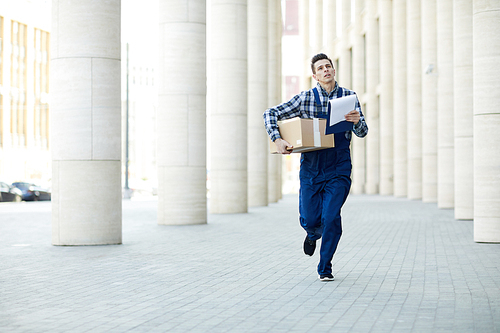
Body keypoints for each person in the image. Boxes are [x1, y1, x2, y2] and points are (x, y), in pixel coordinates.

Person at [263, 53, 368, 281]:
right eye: (320, 68)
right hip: (312, 166)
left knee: (331, 216)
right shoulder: (305, 99)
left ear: (333, 70)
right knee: (310, 218)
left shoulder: (349, 97)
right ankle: (312, 233)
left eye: (328, 66)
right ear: (315, 75)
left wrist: (357, 121)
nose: (325, 70)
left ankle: (325, 266)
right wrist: (277, 139)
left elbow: (363, 132)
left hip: (339, 166)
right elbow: (270, 113)